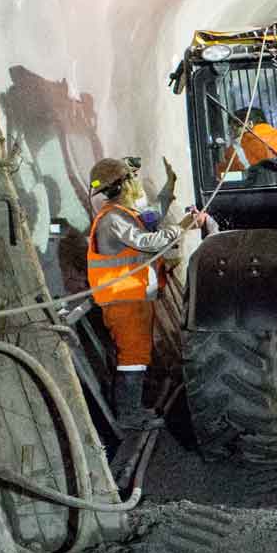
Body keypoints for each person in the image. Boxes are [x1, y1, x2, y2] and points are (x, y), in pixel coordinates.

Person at [86, 157, 206, 432]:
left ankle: (134, 410)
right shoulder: (113, 219)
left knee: (137, 356)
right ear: (123, 184)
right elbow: (148, 242)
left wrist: (169, 187)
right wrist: (182, 226)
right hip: (123, 300)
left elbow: (152, 216)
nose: (136, 181)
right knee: (133, 358)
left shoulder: (125, 213)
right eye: (132, 177)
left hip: (133, 297)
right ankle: (129, 416)